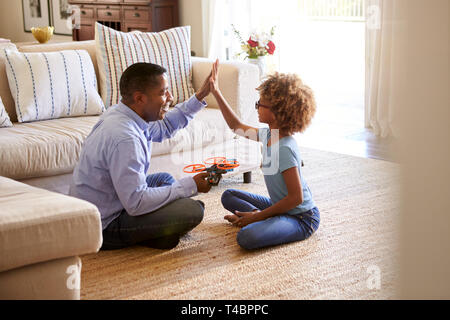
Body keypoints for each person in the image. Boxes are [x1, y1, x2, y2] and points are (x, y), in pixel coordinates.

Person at [69, 62, 214, 250]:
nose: (170, 97)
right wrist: (191, 185)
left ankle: (158, 233)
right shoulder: (125, 138)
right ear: (139, 98)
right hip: (103, 225)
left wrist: (200, 95)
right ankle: (154, 233)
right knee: (193, 210)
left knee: (165, 179)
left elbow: (165, 127)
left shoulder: (124, 113)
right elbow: (136, 203)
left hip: (115, 200)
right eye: (163, 92)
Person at [209, 60, 320, 250]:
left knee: (246, 237)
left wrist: (257, 216)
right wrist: (216, 92)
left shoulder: (284, 148)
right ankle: (264, 219)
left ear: (277, 112)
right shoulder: (270, 134)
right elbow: (237, 127)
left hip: (301, 218)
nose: (257, 107)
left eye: (260, 104)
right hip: (279, 205)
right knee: (228, 195)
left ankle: (259, 221)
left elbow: (296, 198)